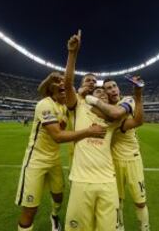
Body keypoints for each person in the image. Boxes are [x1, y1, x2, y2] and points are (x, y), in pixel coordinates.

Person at [63, 30, 144, 231]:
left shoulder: (114, 120)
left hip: (107, 181)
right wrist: (72, 54)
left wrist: (138, 96)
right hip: (81, 180)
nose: (102, 93)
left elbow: (136, 121)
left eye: (105, 93)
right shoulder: (79, 107)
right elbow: (67, 84)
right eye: (97, 91)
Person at [15, 71, 106, 231]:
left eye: (65, 90)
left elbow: (76, 96)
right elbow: (57, 136)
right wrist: (89, 132)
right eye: (60, 91)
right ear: (53, 92)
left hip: (54, 159)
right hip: (36, 160)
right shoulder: (45, 104)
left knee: (59, 196)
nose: (64, 93)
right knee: (30, 208)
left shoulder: (65, 106)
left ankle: (54, 216)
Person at [87, 78, 149, 231]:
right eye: (108, 88)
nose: (113, 89)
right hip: (113, 160)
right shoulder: (105, 108)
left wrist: (138, 95)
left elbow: (133, 120)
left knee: (140, 202)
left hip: (132, 158)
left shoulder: (127, 100)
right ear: (105, 93)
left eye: (114, 86)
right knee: (117, 201)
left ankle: (145, 228)